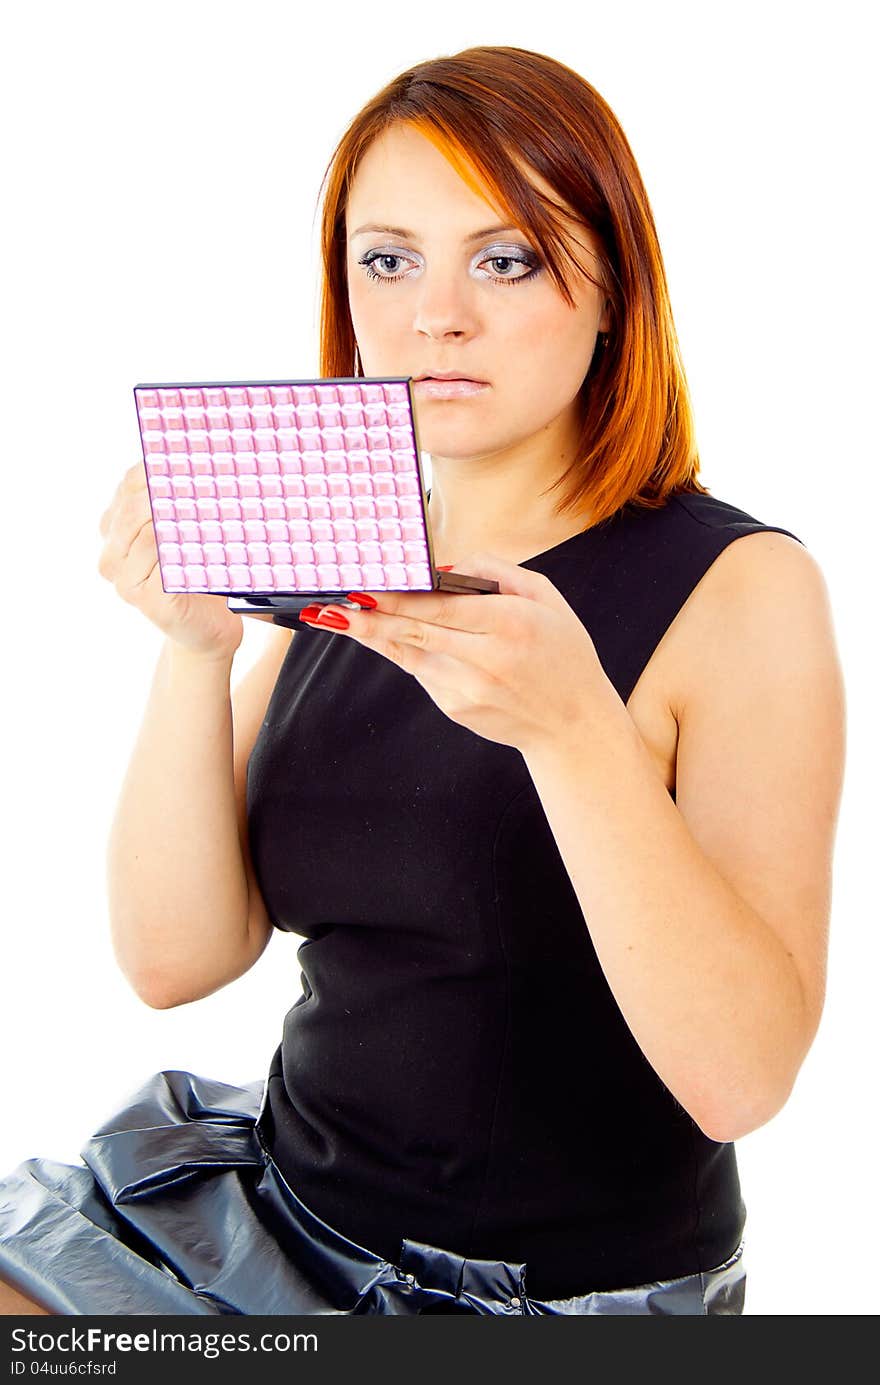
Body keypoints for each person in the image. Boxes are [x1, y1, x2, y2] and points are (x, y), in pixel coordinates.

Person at [0, 45, 845, 1317]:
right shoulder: (340, 541)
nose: (432, 314)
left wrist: (573, 735)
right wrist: (195, 647)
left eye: (503, 259)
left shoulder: (743, 586)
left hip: (556, 1298)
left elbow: (740, 1082)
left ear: (612, 286)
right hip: (279, 1216)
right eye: (387, 259)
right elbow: (173, 959)